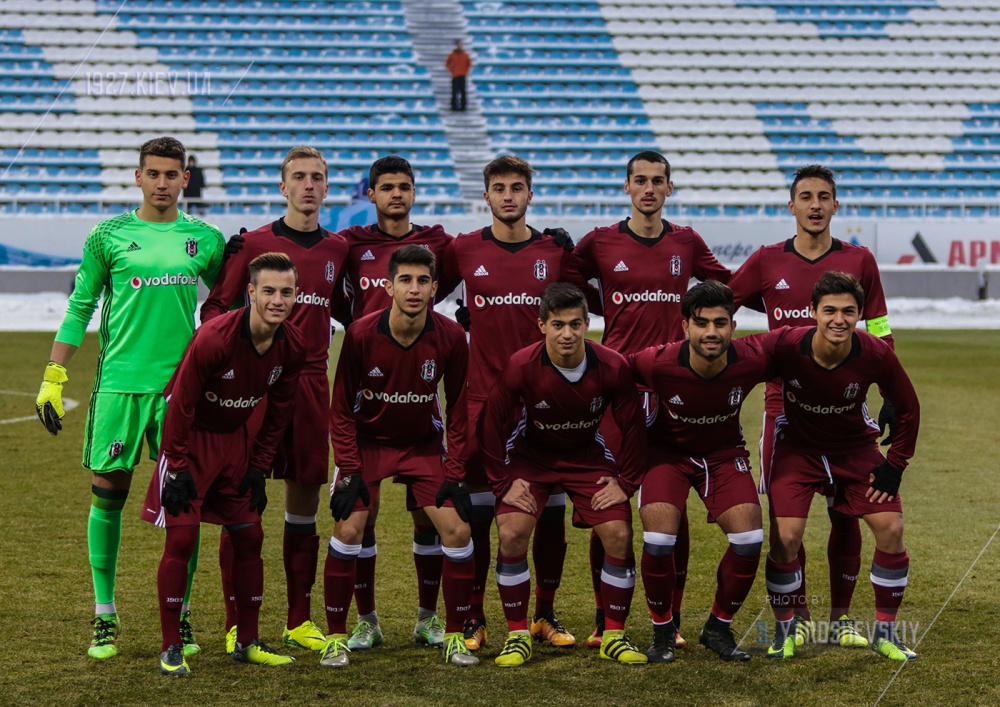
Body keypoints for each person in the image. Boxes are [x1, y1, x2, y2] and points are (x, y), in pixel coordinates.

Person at [34, 136, 225, 660]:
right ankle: (104, 614)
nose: (162, 183)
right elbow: (80, 306)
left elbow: (226, 306)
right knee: (108, 495)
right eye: (153, 174)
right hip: (118, 385)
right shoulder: (108, 235)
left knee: (184, 503)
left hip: (180, 392)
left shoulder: (205, 239)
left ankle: (180, 612)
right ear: (138, 177)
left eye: (172, 174)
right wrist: (54, 376)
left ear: (186, 179)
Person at [728, 164, 894, 648]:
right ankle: (797, 619)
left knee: (846, 513)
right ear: (792, 206)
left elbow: (880, 326)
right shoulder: (766, 260)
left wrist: (888, 391)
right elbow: (722, 305)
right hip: (784, 409)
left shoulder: (860, 259)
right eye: (806, 196)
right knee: (787, 525)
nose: (815, 205)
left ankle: (840, 620)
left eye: (824, 197)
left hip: (846, 408)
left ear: (836, 205)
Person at [573, 150, 731, 648]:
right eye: (639, 180)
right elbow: (565, 283)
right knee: (607, 507)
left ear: (669, 188)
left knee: (671, 509)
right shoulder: (600, 241)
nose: (648, 188)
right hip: (618, 389)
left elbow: (727, 285)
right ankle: (604, 616)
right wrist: (603, 303)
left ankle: (673, 618)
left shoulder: (686, 241)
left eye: (657, 181)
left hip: (673, 390)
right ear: (626, 187)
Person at [202, 146, 349, 655]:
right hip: (254, 387)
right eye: (299, 177)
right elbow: (215, 308)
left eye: (317, 177)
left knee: (304, 500)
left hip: (309, 384)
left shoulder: (338, 248)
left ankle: (298, 620)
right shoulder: (254, 244)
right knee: (240, 502)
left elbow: (352, 308)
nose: (309, 185)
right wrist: (241, 358)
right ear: (283, 187)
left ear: (327, 188)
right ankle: (235, 623)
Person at [441, 154, 585, 652]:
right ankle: (475, 618)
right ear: (486, 195)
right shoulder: (463, 248)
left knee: (551, 512)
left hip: (546, 402)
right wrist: (461, 318)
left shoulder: (553, 251)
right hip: (482, 402)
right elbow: (425, 292)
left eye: (517, 187)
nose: (508, 196)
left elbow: (581, 310)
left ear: (530, 194)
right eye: (499, 188)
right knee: (479, 513)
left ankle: (544, 612)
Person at [143, 252, 305, 675]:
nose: (277, 300)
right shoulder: (214, 338)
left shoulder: (293, 345)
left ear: (296, 295)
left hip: (237, 443)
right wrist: (177, 466)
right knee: (181, 540)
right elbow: (180, 405)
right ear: (250, 292)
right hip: (190, 442)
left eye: (286, 292)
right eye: (268, 291)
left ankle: (247, 641)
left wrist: (259, 466)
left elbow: (279, 411)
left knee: (250, 537)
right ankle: (171, 646)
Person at [322, 244, 477, 668]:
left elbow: (459, 409)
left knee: (457, 531)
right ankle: (349, 631)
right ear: (389, 286)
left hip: (423, 446)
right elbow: (341, 409)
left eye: (423, 281)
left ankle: (442, 628)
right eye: (405, 280)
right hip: (368, 444)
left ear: (435, 287)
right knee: (350, 529)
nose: (414, 289)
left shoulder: (450, 337)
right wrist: (349, 469)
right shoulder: (360, 334)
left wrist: (456, 472)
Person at [480, 282, 648, 667]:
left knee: (619, 534)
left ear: (588, 323)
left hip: (586, 456)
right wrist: (501, 482)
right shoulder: (521, 364)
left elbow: (634, 427)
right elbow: (490, 423)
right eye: (558, 325)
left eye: (575, 324)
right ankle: (517, 635)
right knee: (511, 532)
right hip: (531, 456)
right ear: (542, 325)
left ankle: (613, 636)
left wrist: (627, 483)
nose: (567, 333)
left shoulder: (612, 366)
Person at [763, 272, 919, 662]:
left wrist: (895, 466)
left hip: (854, 448)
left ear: (859, 314)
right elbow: (737, 362)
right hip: (798, 450)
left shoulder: (874, 352)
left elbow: (909, 407)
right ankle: (787, 629)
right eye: (829, 310)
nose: (839, 319)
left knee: (891, 528)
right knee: (785, 539)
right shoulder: (785, 344)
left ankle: (885, 633)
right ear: (812, 311)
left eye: (848, 311)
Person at [336, 155, 458, 650]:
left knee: (428, 516)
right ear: (371, 194)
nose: (396, 194)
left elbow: (472, 263)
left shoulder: (438, 242)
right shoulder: (350, 244)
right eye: (386, 187)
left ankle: (428, 618)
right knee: (360, 517)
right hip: (368, 403)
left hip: (418, 400)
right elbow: (328, 286)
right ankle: (366, 620)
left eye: (404, 186)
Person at [628, 281, 773, 663]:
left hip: (723, 455)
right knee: (659, 540)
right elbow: (612, 376)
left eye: (720, 323)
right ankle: (663, 632)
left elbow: (798, 347)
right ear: (685, 326)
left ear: (733, 326)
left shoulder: (753, 358)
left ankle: (718, 628)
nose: (711, 332)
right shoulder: (656, 362)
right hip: (666, 456)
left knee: (749, 539)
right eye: (702, 323)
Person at [445, 40, 471, 112]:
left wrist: (465, 71)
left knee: (463, 92)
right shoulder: (452, 54)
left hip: (462, 75)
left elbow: (469, 64)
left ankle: (463, 106)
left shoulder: (465, 55)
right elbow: (447, 63)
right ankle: (454, 106)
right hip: (455, 75)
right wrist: (452, 70)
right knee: (454, 92)